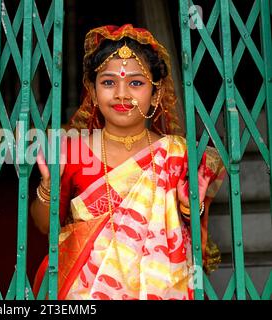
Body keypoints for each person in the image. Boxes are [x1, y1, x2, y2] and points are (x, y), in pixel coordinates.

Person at [30, 24, 225, 300]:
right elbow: (45, 226)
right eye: (109, 82)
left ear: (156, 94)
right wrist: (47, 188)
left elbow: (190, 233)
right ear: (94, 92)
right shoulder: (72, 151)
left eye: (136, 82)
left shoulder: (176, 155)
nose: (122, 94)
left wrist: (187, 206)